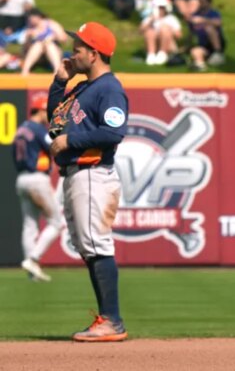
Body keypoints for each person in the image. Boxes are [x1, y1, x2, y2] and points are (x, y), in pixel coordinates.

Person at [47, 21, 128, 342]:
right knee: (87, 246)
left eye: (78, 48)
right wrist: (59, 82)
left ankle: (112, 321)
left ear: (94, 54)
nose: (72, 53)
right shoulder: (83, 87)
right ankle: (108, 319)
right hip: (77, 175)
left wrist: (71, 141)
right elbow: (56, 119)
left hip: (93, 173)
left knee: (96, 244)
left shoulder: (109, 88)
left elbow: (113, 133)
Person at [12, 94, 64, 282]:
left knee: (30, 225)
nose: (47, 114)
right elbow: (54, 146)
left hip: (22, 179)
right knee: (56, 222)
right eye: (45, 111)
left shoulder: (21, 129)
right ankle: (33, 259)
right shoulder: (37, 128)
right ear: (40, 110)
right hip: (37, 179)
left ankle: (31, 270)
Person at [20, 8, 66, 76]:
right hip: (37, 55)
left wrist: (53, 37)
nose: (31, 20)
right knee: (38, 44)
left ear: (39, 16)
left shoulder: (51, 24)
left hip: (53, 52)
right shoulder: (29, 29)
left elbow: (63, 38)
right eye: (29, 19)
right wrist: (29, 38)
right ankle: (25, 71)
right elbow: (24, 49)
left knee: (49, 45)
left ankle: (57, 70)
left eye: (32, 18)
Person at [140, 0, 182, 66]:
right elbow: (141, 31)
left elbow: (179, 35)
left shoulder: (171, 19)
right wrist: (151, 21)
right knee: (150, 31)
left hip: (169, 45)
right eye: (158, 7)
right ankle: (151, 54)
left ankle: (163, 54)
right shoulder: (150, 18)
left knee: (164, 29)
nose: (160, 10)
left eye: (162, 7)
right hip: (154, 44)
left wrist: (169, 29)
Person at [188, 0, 225, 71]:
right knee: (195, 51)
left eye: (203, 2)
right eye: (200, 2)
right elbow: (191, 33)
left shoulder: (213, 13)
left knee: (209, 28)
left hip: (215, 41)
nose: (202, 4)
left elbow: (218, 23)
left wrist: (204, 20)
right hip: (204, 44)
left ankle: (218, 52)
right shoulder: (195, 15)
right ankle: (200, 64)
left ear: (209, 3)